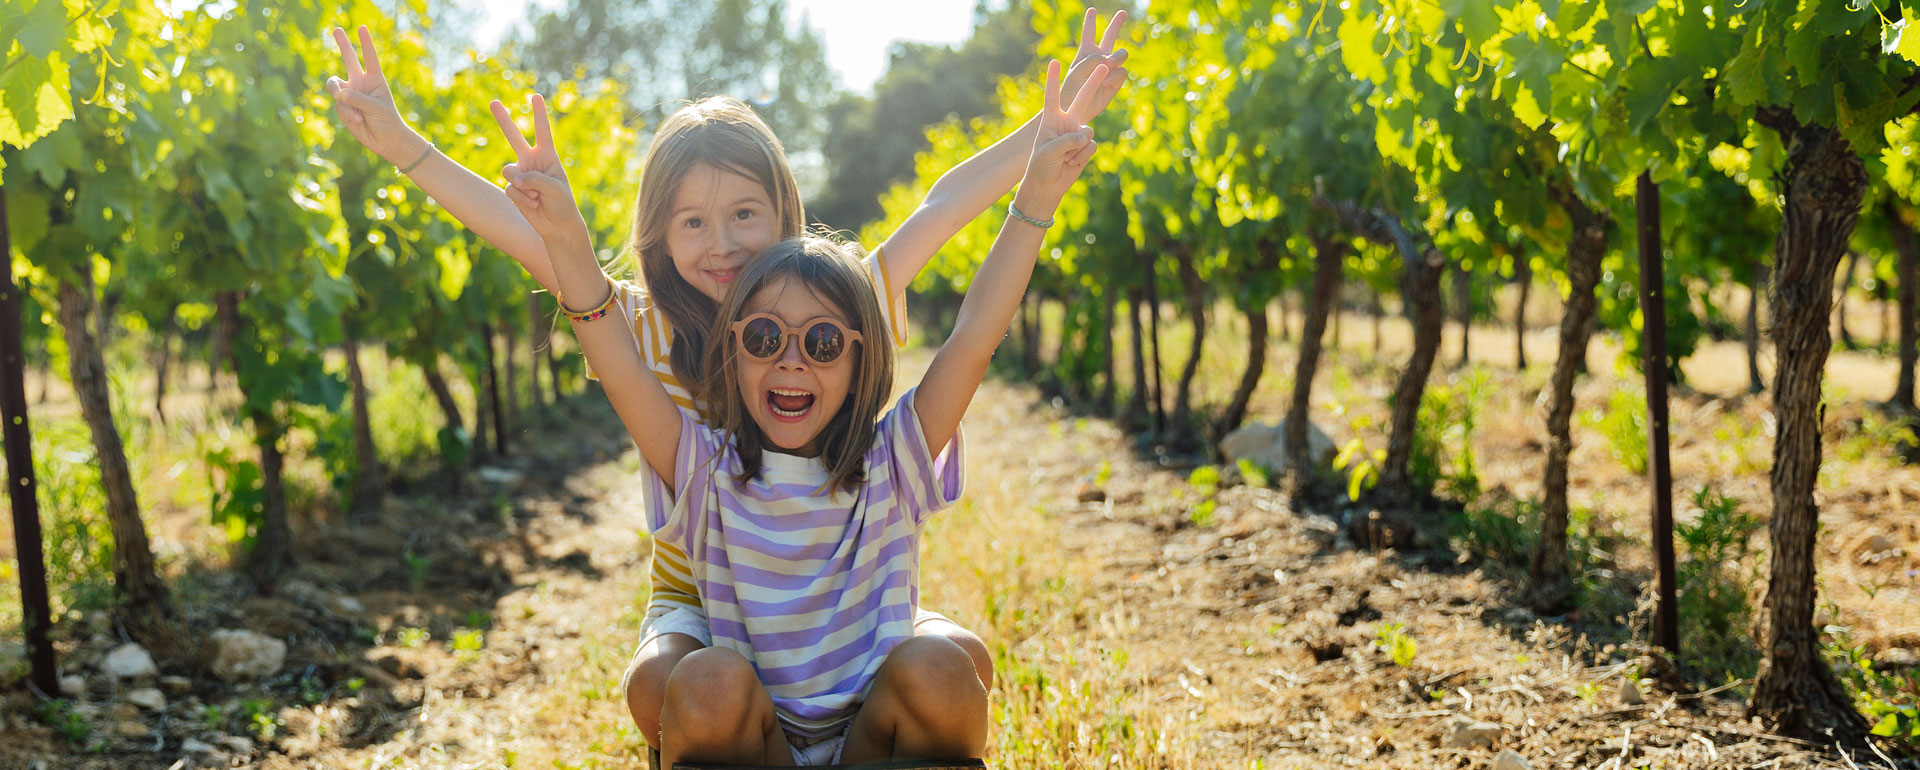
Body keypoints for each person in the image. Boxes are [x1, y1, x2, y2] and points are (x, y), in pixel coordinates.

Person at [322, 9, 1126, 754]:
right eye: (691, 222)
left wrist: (1047, 137)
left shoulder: (840, 302)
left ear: (786, 214)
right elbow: (532, 240)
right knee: (663, 686)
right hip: (704, 597)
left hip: (833, 590)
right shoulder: (638, 328)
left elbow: (945, 212)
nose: (722, 244)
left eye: (745, 214)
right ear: (659, 237)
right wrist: (403, 147)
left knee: (960, 663)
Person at [501, 55, 1102, 765]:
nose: (791, 360)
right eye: (763, 338)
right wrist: (567, 239)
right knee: (703, 681)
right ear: (732, 353)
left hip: (868, 738)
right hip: (758, 740)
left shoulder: (894, 460)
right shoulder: (701, 467)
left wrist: (1034, 200)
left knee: (947, 669)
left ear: (863, 354)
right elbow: (602, 332)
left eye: (821, 341)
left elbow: (974, 337)